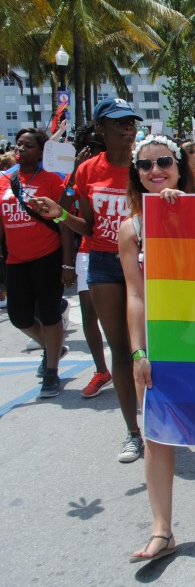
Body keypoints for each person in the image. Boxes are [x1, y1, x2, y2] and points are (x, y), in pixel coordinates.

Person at [116, 135, 195, 561]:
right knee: (157, 432)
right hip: (162, 341)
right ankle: (162, 530)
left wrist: (188, 211)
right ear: (136, 173)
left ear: (180, 165)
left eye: (164, 161)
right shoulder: (130, 229)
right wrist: (137, 352)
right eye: (145, 165)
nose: (155, 170)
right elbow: (135, 294)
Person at [33, 99, 147, 461]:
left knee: (150, 348)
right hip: (102, 262)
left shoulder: (147, 163)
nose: (127, 129)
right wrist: (61, 214)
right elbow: (87, 226)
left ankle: (165, 422)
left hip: (147, 263)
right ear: (101, 129)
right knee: (122, 351)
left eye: (130, 122)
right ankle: (133, 432)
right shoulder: (86, 171)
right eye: (118, 123)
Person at [0, 127, 68, 399]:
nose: (21, 150)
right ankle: (53, 348)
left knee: (50, 315)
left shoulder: (51, 180)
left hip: (47, 257)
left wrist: (67, 264)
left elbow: (63, 223)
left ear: (41, 152)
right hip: (15, 259)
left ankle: (51, 371)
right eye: (18, 145)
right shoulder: (5, 180)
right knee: (19, 317)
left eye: (28, 146)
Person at [62, 124, 112, 398]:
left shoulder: (124, 168)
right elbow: (63, 207)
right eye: (90, 146)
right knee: (89, 314)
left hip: (122, 254)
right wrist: (74, 173)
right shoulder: (82, 172)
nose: (95, 151)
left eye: (98, 146)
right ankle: (101, 370)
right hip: (88, 252)